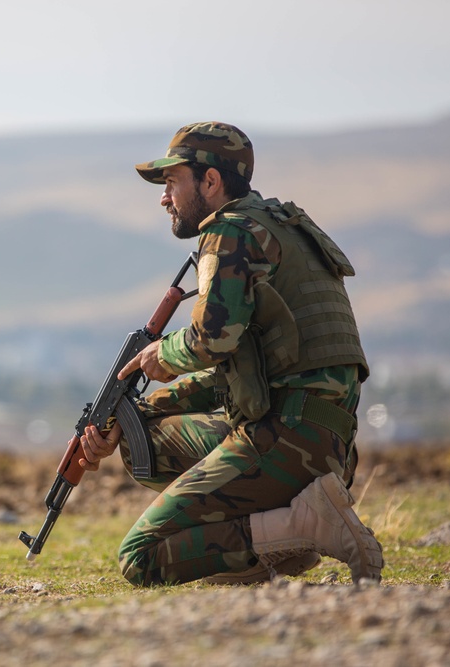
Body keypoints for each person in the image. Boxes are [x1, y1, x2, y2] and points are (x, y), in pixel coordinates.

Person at [78, 122, 383, 586]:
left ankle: (300, 527)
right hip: (325, 448)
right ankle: (278, 541)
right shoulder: (283, 227)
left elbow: (209, 340)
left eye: (171, 182)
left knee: (141, 557)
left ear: (211, 182)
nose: (164, 198)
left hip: (286, 442)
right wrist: (129, 416)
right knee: (149, 445)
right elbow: (234, 373)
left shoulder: (231, 233)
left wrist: (164, 352)